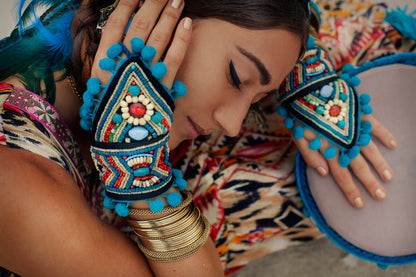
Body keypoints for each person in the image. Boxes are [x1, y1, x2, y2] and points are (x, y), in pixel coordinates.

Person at [0, 0, 396, 275]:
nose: (233, 122)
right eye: (237, 77)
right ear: (149, 15)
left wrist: (297, 67)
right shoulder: (16, 184)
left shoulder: (106, 36)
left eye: (257, 96)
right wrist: (139, 176)